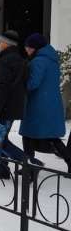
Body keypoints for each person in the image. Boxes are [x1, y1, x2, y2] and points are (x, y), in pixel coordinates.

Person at [20, 33, 71, 173]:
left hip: (38, 105)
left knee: (27, 136)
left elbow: (33, 83)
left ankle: (28, 167)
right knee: (53, 137)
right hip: (50, 103)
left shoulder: (38, 61)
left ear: (36, 48)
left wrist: (21, 84)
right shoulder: (52, 60)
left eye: (29, 48)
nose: (27, 50)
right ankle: (70, 163)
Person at [0, 30, 28, 179]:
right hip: (13, 105)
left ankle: (28, 163)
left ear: (6, 44)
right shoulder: (19, 59)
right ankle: (1, 168)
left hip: (5, 106)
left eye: (0, 42)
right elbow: (14, 84)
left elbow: (4, 87)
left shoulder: (6, 60)